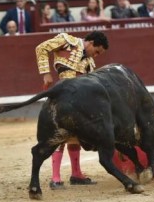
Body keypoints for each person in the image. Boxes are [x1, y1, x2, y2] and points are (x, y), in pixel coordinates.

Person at [35, 31, 109, 189]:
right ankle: (55, 178)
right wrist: (46, 74)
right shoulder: (67, 41)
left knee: (76, 136)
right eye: (97, 51)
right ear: (90, 42)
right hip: (62, 96)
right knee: (60, 135)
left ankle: (76, 174)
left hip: (80, 101)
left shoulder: (89, 62)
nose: (96, 55)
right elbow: (41, 48)